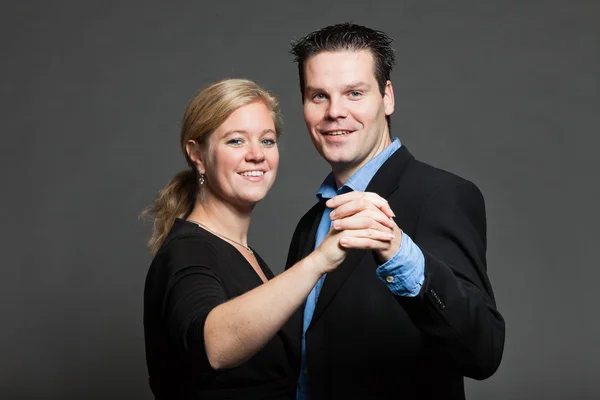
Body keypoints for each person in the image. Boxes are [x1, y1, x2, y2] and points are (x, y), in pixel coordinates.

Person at [284, 23, 506, 399]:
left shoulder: (443, 195)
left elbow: (483, 350)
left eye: (354, 93)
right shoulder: (311, 224)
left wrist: (399, 252)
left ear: (387, 97)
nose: (335, 112)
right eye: (318, 96)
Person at [141, 78, 397, 400]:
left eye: (267, 141)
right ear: (198, 155)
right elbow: (215, 346)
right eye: (236, 141)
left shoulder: (244, 255)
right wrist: (319, 260)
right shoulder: (187, 252)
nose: (256, 155)